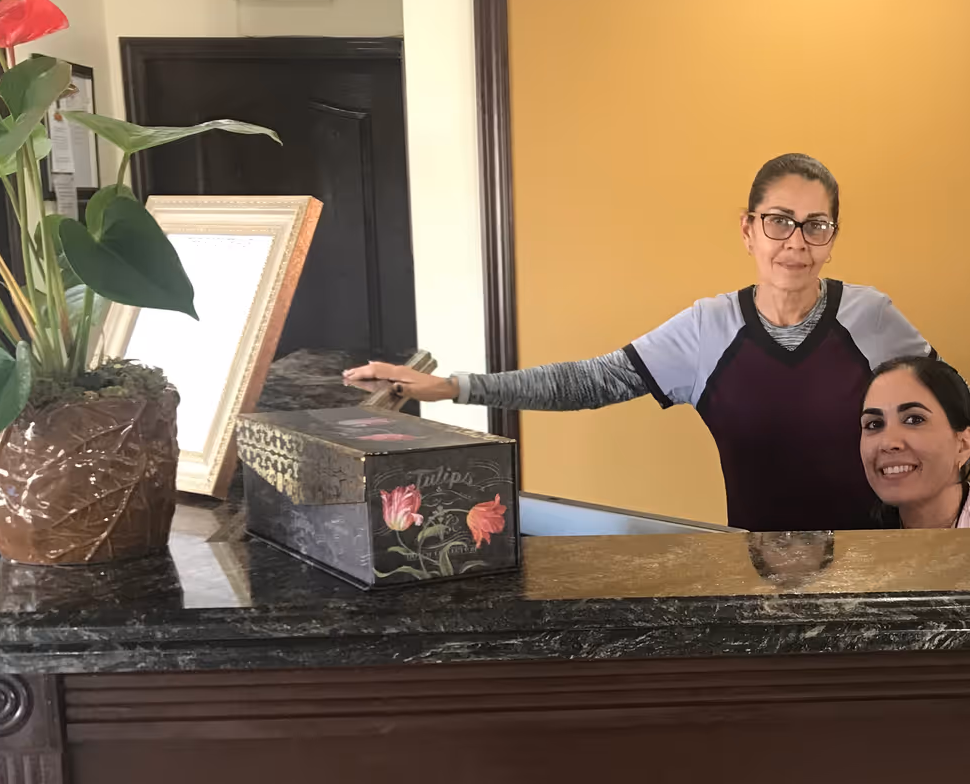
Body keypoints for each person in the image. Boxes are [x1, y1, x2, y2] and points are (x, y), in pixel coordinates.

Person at [343, 153, 929, 531]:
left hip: (879, 563)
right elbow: (592, 380)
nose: (796, 242)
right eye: (779, 220)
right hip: (755, 571)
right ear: (748, 229)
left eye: (816, 225)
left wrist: (944, 508)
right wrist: (453, 386)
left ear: (832, 237)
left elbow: (948, 408)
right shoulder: (708, 329)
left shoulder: (870, 316)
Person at [860, 355, 970, 529]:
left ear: (964, 444)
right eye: (874, 424)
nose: (888, 443)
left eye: (914, 420)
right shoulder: (851, 544)